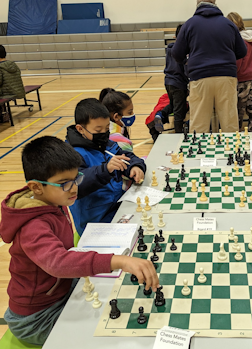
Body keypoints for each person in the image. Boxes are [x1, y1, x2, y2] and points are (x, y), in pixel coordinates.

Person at [0, 136, 158, 346]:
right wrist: (120, 261)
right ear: (36, 187)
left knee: (118, 297)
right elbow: (58, 262)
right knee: (112, 332)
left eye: (76, 178)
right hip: (36, 318)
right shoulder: (32, 225)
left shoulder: (53, 199)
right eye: (64, 183)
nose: (74, 188)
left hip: (61, 291)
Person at [66, 98, 146, 236]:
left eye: (107, 128)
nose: (104, 133)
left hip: (117, 209)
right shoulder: (71, 154)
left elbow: (127, 157)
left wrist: (135, 166)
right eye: (98, 130)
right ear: (80, 129)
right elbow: (76, 186)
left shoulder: (106, 144)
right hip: (95, 222)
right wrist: (105, 169)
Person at [172, 0, 247, 133]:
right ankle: (231, 152)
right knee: (229, 120)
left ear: (197, 5)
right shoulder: (228, 24)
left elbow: (176, 53)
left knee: (199, 122)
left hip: (200, 77)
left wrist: (188, 62)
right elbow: (242, 51)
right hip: (226, 76)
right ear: (215, 4)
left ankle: (199, 153)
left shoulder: (189, 24)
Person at [226, 12, 252, 131]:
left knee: (239, 105)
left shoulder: (239, 40)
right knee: (251, 102)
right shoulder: (250, 38)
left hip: (241, 77)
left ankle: (237, 130)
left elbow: (239, 61)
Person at [154, 24, 189, 134]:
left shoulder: (170, 49)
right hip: (178, 83)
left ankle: (161, 114)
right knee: (179, 112)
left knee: (174, 105)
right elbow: (184, 69)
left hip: (168, 81)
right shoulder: (182, 51)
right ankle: (178, 135)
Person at [99, 88, 135, 152]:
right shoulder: (121, 142)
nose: (133, 114)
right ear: (116, 116)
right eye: (130, 112)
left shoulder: (103, 130)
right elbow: (131, 161)